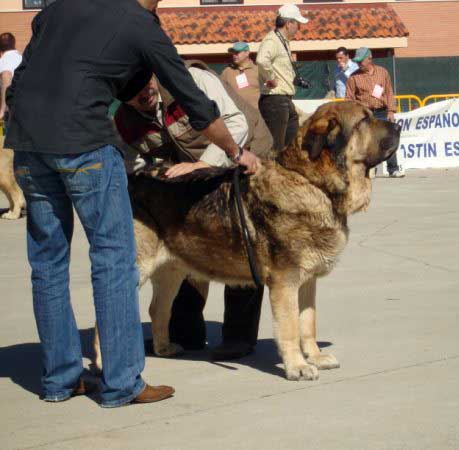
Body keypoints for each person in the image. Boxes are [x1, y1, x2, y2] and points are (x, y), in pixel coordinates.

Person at [5, 0, 259, 408]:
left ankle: (61, 379)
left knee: (48, 263)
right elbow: (190, 95)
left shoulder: (57, 9)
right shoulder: (139, 22)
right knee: (114, 260)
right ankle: (121, 383)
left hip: (29, 144)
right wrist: (233, 150)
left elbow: (20, 79)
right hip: (84, 143)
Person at [114, 62, 272, 360]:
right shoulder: (124, 120)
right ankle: (186, 332)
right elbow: (130, 162)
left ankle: (239, 337)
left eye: (145, 83)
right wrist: (156, 172)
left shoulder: (192, 81)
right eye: (132, 94)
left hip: (247, 152)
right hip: (191, 174)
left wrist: (203, 165)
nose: (143, 93)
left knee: (244, 245)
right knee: (187, 245)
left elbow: (236, 126)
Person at [256, 3, 308, 152]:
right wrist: (270, 77)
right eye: (297, 23)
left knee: (290, 148)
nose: (299, 27)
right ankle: (272, 174)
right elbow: (261, 60)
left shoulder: (281, 41)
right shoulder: (273, 40)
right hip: (275, 100)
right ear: (288, 23)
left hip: (283, 100)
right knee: (277, 149)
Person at [345, 47, 405, 178]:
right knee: (367, 142)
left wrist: (391, 111)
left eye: (361, 60)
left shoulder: (383, 73)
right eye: (357, 61)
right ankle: (370, 169)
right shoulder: (353, 78)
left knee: (388, 140)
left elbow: (389, 92)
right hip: (365, 115)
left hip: (382, 111)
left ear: (369, 58)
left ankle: (393, 169)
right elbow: (349, 99)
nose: (359, 63)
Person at [220, 42, 261, 108]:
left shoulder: (259, 71)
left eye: (237, 52)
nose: (234, 55)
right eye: (233, 53)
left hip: (256, 115)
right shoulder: (227, 72)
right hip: (235, 115)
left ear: (247, 53)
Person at [0, 32, 22, 124]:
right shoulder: (23, 58)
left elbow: (6, 76)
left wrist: (3, 109)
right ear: (14, 43)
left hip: (11, 112)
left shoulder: (3, 61)